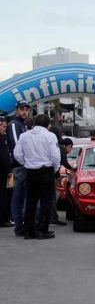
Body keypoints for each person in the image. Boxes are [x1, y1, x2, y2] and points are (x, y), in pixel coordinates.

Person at [13, 115, 60, 240]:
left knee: (30, 202)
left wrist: (26, 163)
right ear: (48, 125)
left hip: (30, 171)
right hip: (46, 170)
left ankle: (28, 231)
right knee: (46, 202)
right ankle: (42, 230)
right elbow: (55, 156)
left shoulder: (24, 136)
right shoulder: (50, 136)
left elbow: (17, 154)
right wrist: (55, 169)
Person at [7, 100, 30, 236]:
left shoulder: (22, 125)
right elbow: (17, 147)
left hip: (22, 165)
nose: (24, 112)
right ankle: (19, 226)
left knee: (21, 197)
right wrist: (25, 163)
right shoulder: (15, 125)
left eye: (26, 109)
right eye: (22, 109)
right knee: (18, 197)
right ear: (16, 110)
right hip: (19, 166)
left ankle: (21, 225)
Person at [0, 116, 12, 227]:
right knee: (2, 196)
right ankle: (2, 220)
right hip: (2, 172)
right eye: (3, 127)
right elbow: (3, 156)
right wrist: (8, 169)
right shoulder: (1, 140)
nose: (5, 129)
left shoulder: (3, 138)